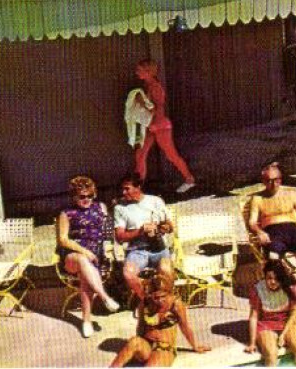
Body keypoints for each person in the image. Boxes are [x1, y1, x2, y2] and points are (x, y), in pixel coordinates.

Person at [247, 160, 296, 300]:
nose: (273, 184)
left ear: (280, 179)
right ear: (263, 181)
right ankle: (283, 287)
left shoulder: (291, 194)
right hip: (273, 234)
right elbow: (252, 222)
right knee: (273, 257)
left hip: (293, 231)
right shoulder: (258, 198)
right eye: (269, 180)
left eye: (276, 180)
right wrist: (259, 232)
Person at [56, 175, 121, 338]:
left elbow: (107, 231)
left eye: (90, 195)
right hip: (72, 256)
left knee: (86, 275)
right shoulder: (66, 213)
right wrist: (84, 251)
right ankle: (104, 297)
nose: (87, 199)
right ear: (74, 196)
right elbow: (62, 240)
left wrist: (109, 248)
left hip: (97, 254)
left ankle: (86, 321)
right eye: (82, 196)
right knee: (83, 261)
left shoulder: (101, 207)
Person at [110, 271, 209, 367]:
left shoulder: (176, 304)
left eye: (163, 296)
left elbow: (185, 327)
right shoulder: (145, 303)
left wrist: (195, 346)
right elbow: (140, 325)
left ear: (169, 293)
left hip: (164, 347)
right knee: (134, 341)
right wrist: (136, 348)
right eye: (156, 297)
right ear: (150, 294)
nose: (160, 301)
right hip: (147, 344)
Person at [130, 59, 197, 193]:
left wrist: (142, 104)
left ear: (148, 72)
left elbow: (158, 109)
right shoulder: (147, 85)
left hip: (160, 126)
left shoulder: (155, 87)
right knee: (140, 155)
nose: (137, 72)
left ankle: (190, 180)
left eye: (140, 70)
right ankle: (137, 189)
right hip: (150, 125)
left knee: (171, 155)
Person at [113, 172, 174, 302]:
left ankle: (168, 303)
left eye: (127, 188)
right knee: (128, 274)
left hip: (159, 248)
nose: (123, 192)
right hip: (137, 251)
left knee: (166, 271)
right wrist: (140, 231)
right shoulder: (120, 208)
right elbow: (120, 237)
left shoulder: (155, 201)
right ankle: (147, 301)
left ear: (138, 186)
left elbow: (170, 226)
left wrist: (162, 228)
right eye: (122, 189)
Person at [245, 260, 296, 366]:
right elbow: (254, 317)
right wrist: (252, 343)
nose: (273, 282)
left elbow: (293, 314)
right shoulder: (258, 289)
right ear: (264, 276)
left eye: (277, 278)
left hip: (286, 322)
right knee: (271, 354)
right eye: (269, 278)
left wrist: (283, 334)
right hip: (266, 324)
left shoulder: (291, 288)